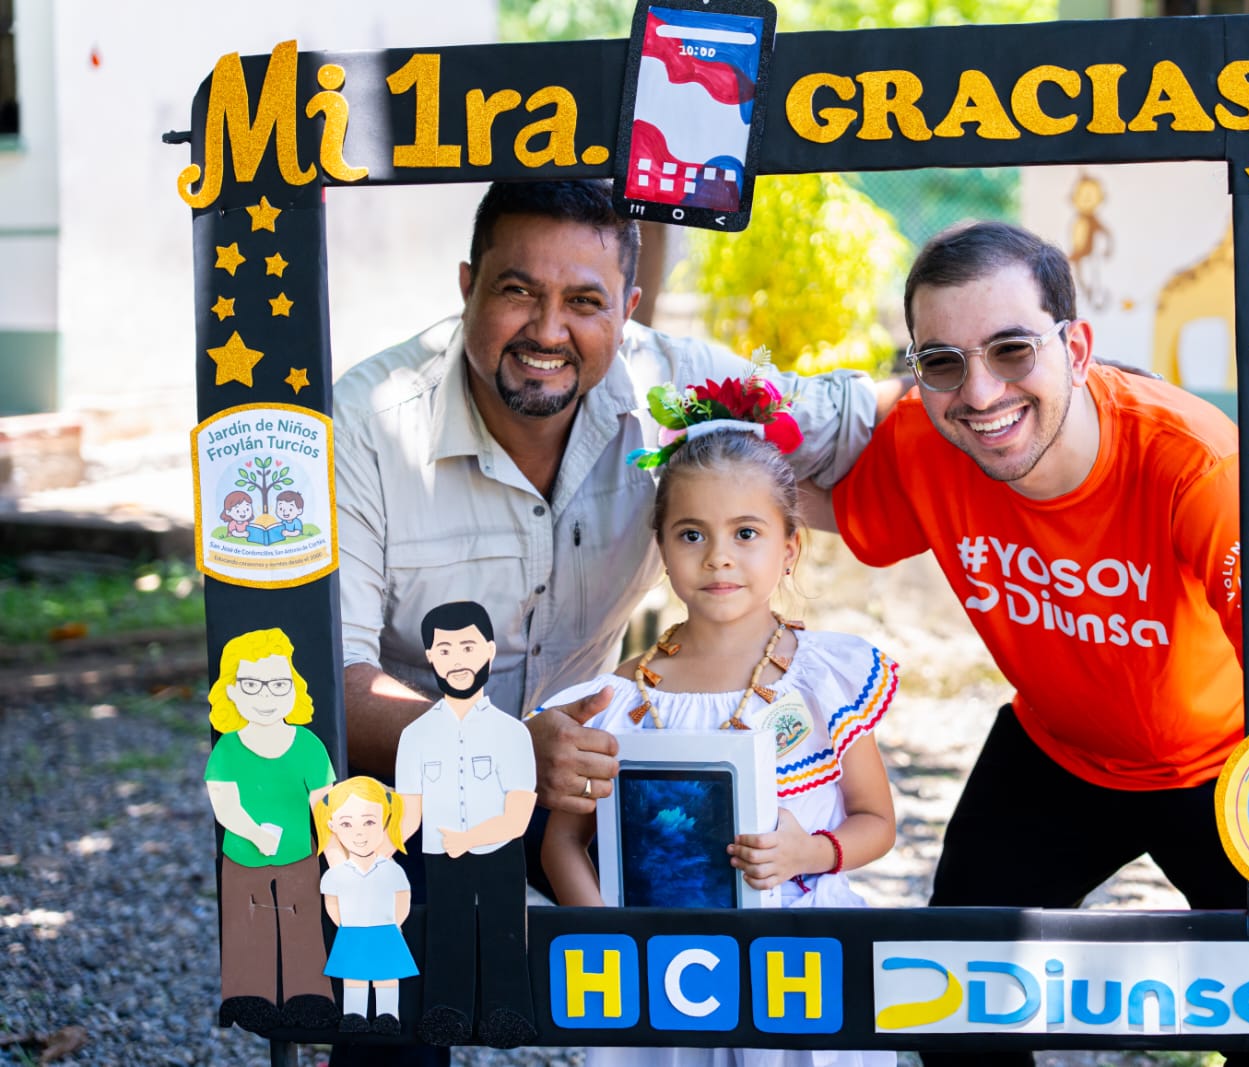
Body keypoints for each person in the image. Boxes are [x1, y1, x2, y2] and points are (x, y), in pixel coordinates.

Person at [830, 221, 1249, 1067]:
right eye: (942, 362)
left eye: (1012, 349)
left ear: (1076, 348)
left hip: (1228, 763)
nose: (979, 392)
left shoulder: (1197, 466)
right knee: (952, 1004)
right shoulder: (923, 439)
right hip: (1059, 748)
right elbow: (801, 505)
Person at [333, 178, 898, 831]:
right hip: (401, 809)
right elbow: (335, 678)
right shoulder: (366, 425)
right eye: (517, 291)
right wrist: (502, 752)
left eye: (584, 301)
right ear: (467, 286)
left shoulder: (672, 385)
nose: (548, 330)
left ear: (628, 309)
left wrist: (978, 378)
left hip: (582, 799)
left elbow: (861, 420)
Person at [538, 375, 898, 1067]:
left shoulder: (823, 681)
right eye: (691, 533)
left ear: (789, 548)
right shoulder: (620, 698)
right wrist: (615, 947)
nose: (718, 556)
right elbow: (564, 845)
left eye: (746, 532)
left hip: (799, 972)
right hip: (665, 979)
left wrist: (809, 853)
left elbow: (876, 820)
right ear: (661, 545)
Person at [395, 600, 538, 1048]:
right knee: (445, 932)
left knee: (505, 931)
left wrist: (469, 838)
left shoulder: (513, 734)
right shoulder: (414, 736)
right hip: (440, 855)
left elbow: (518, 815)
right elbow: (408, 812)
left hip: (499, 852)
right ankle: (446, 1014)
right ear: (430, 657)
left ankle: (508, 1014)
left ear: (490, 651)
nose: (457, 660)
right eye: (445, 650)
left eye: (468, 647)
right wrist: (369, 851)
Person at [203, 627, 338, 1035]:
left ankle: (309, 996)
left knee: (303, 923)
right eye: (252, 685)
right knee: (248, 924)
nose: (266, 696)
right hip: (242, 856)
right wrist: (255, 833)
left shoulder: (309, 746)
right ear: (232, 690)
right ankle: (248, 997)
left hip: (299, 855)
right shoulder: (228, 749)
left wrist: (336, 856)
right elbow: (224, 804)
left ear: (294, 687)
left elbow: (325, 805)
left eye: (278, 684)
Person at [315, 776, 418, 1034]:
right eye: (346, 824)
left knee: (387, 977)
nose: (359, 832)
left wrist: (396, 922)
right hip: (353, 931)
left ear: (386, 822)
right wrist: (344, 925)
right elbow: (332, 904)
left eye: (369, 822)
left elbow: (402, 898)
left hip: (385, 929)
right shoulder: (336, 875)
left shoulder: (391, 870)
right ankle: (354, 1015)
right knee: (354, 978)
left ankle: (387, 1015)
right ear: (332, 826)